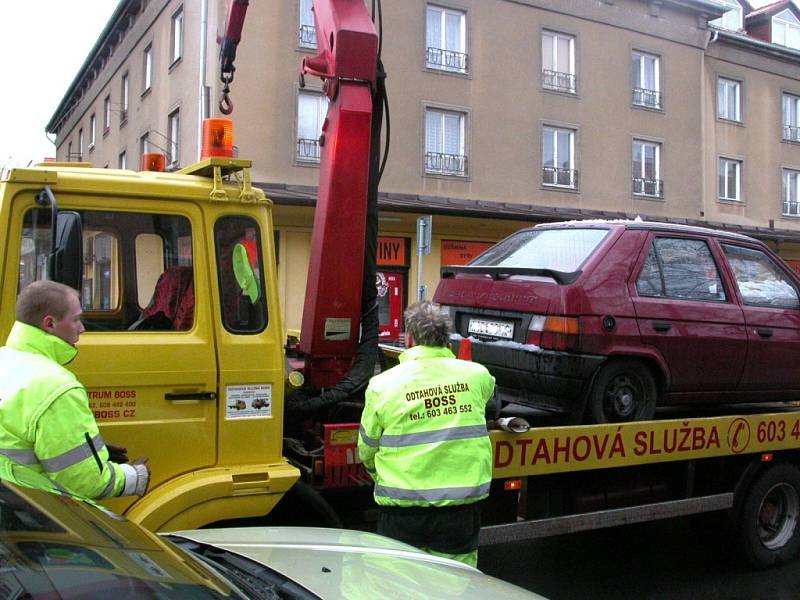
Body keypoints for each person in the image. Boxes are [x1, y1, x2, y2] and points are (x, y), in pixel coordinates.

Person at [358, 301, 495, 568]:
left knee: (398, 585)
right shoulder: (477, 376)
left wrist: (382, 476)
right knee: (456, 584)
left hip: (401, 510)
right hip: (459, 511)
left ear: (409, 337)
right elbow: (488, 399)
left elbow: (367, 449)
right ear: (447, 338)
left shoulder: (382, 385)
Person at [0, 281, 149, 501]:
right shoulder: (57, 387)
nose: (82, 328)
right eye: (76, 319)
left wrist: (87, 451)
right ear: (49, 323)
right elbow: (85, 482)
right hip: (33, 513)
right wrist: (135, 477)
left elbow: (15, 439)